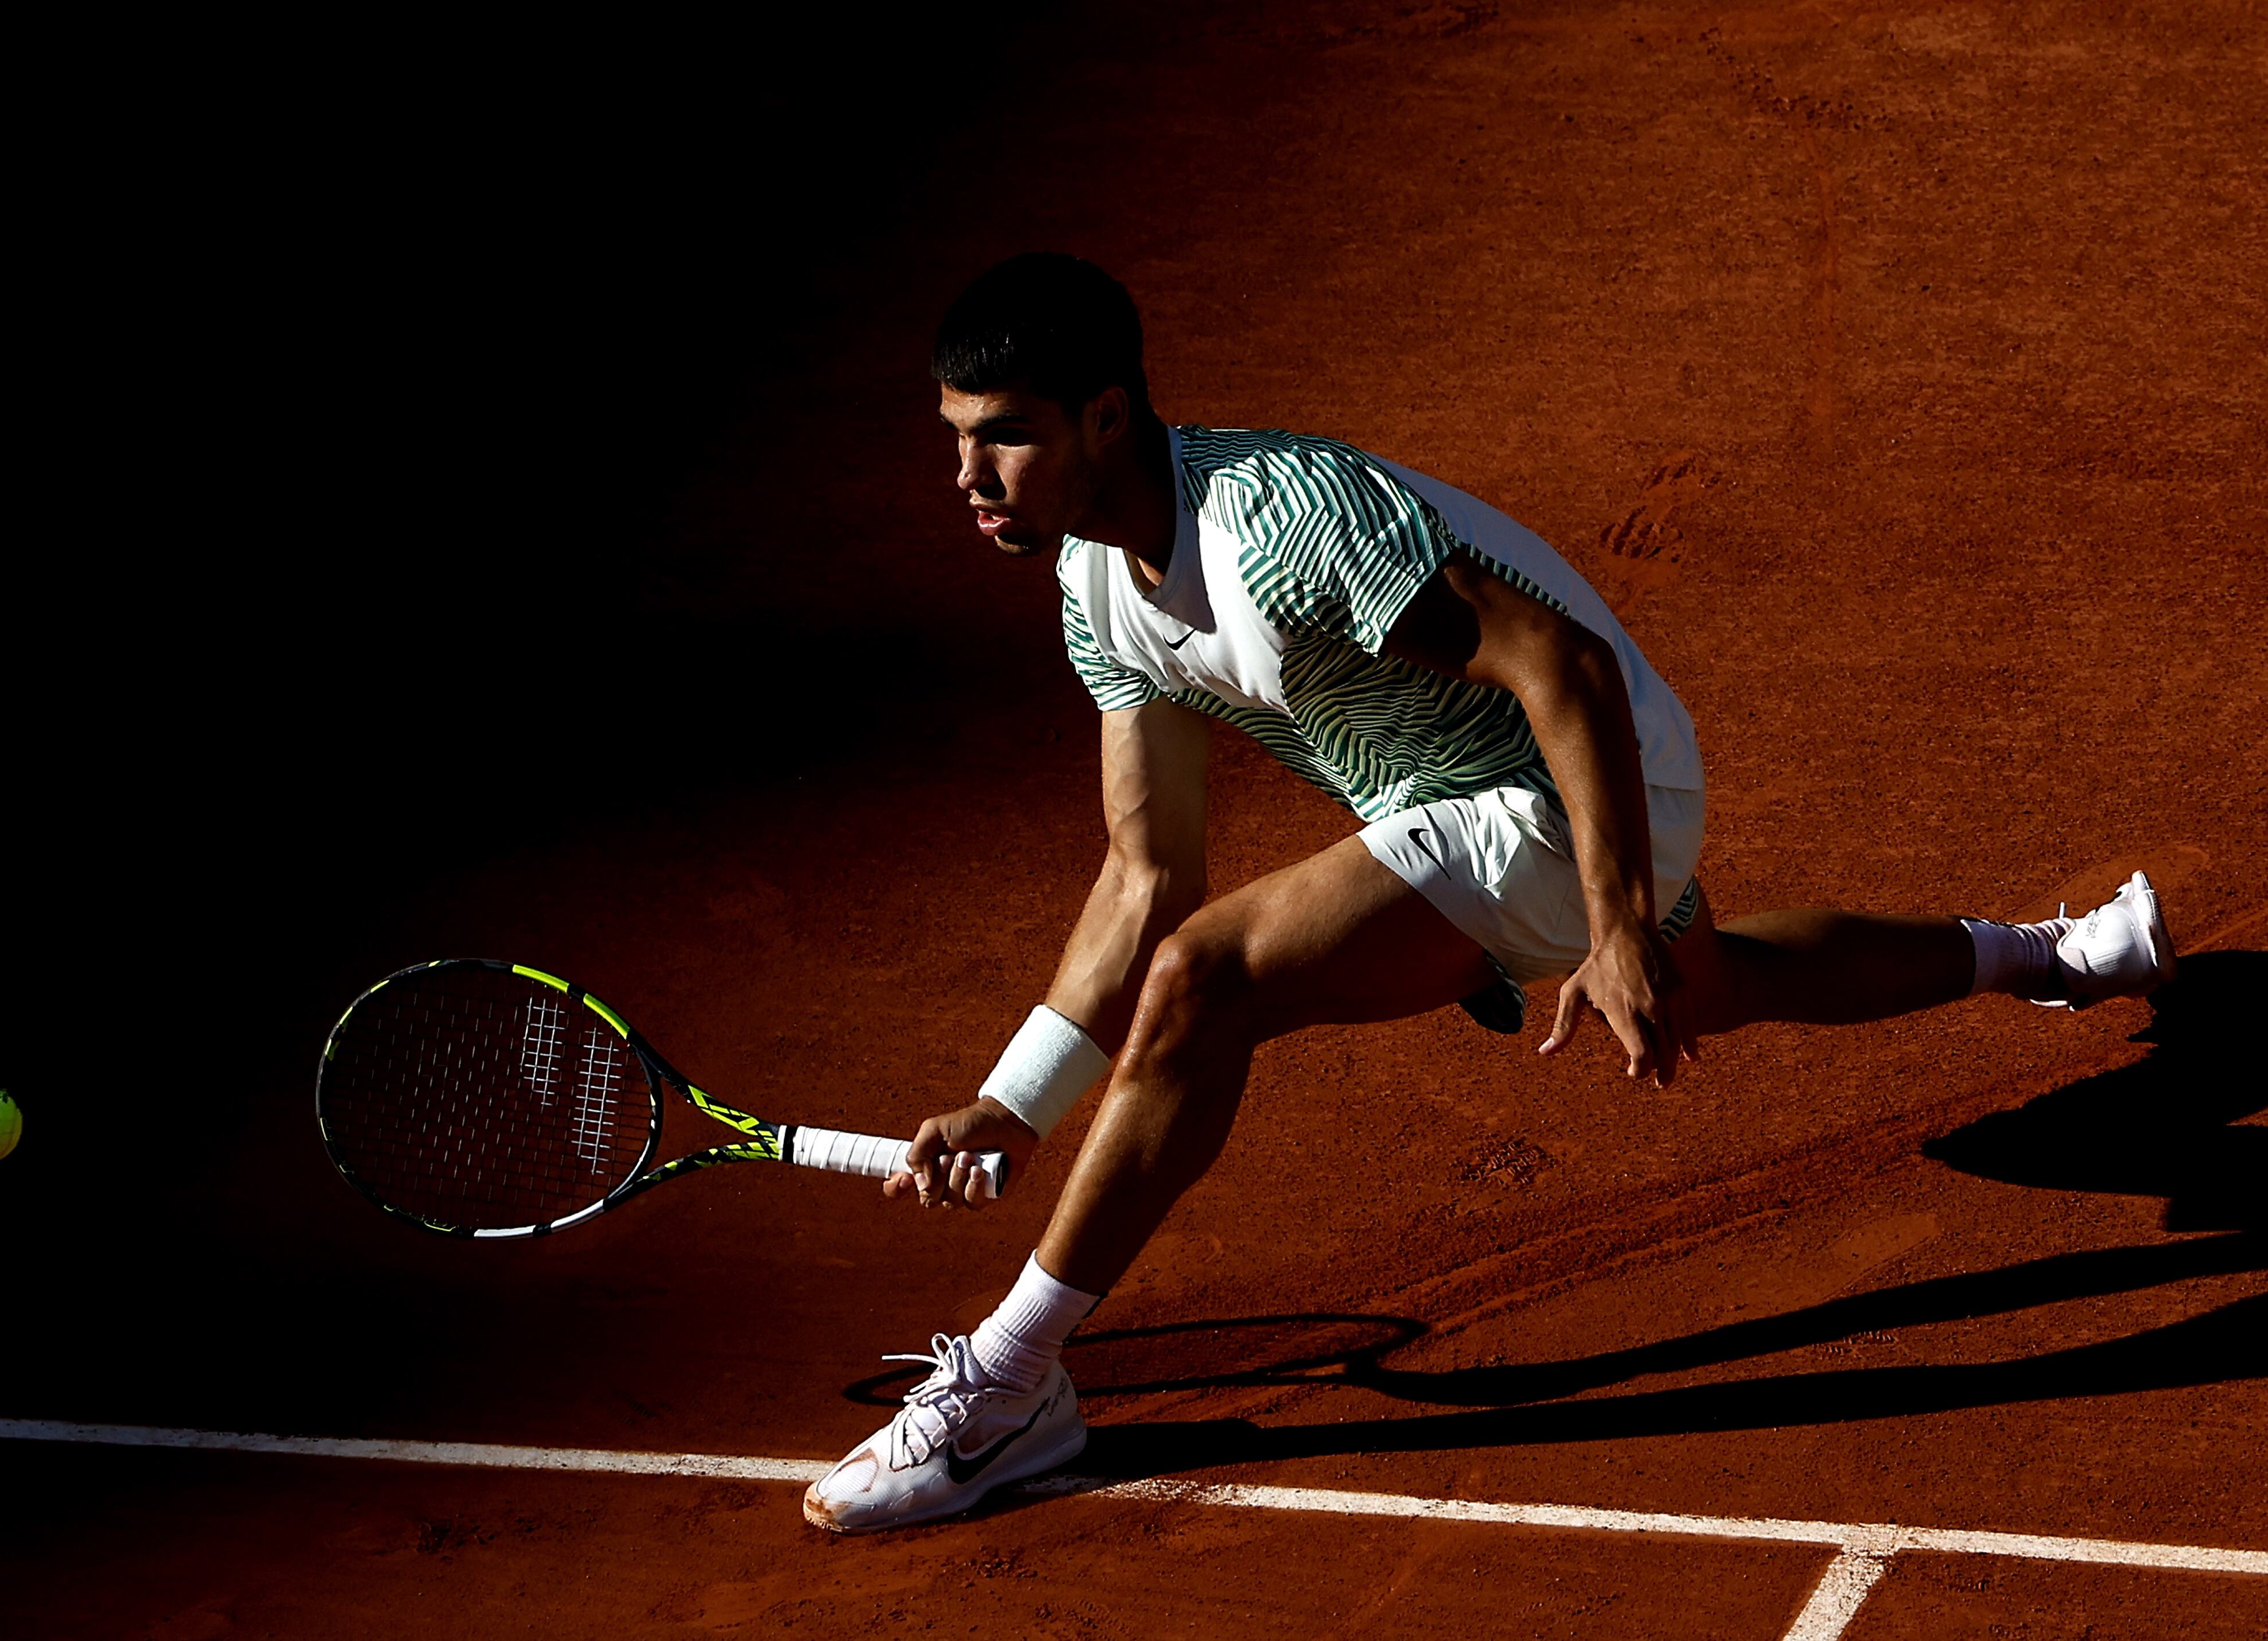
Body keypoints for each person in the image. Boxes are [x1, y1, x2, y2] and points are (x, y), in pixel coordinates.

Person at [800, 253, 2174, 1534]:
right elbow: (1143, 869)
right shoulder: (1093, 585)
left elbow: (1564, 667)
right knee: (1728, 985)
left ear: (1105, 419)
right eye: (954, 435)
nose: (967, 473)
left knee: (1207, 984)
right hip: (1454, 795)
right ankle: (2049, 953)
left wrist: (1620, 923)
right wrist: (1020, 1096)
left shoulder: (1276, 525)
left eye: (1004, 434)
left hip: (1582, 773)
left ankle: (1011, 1382)